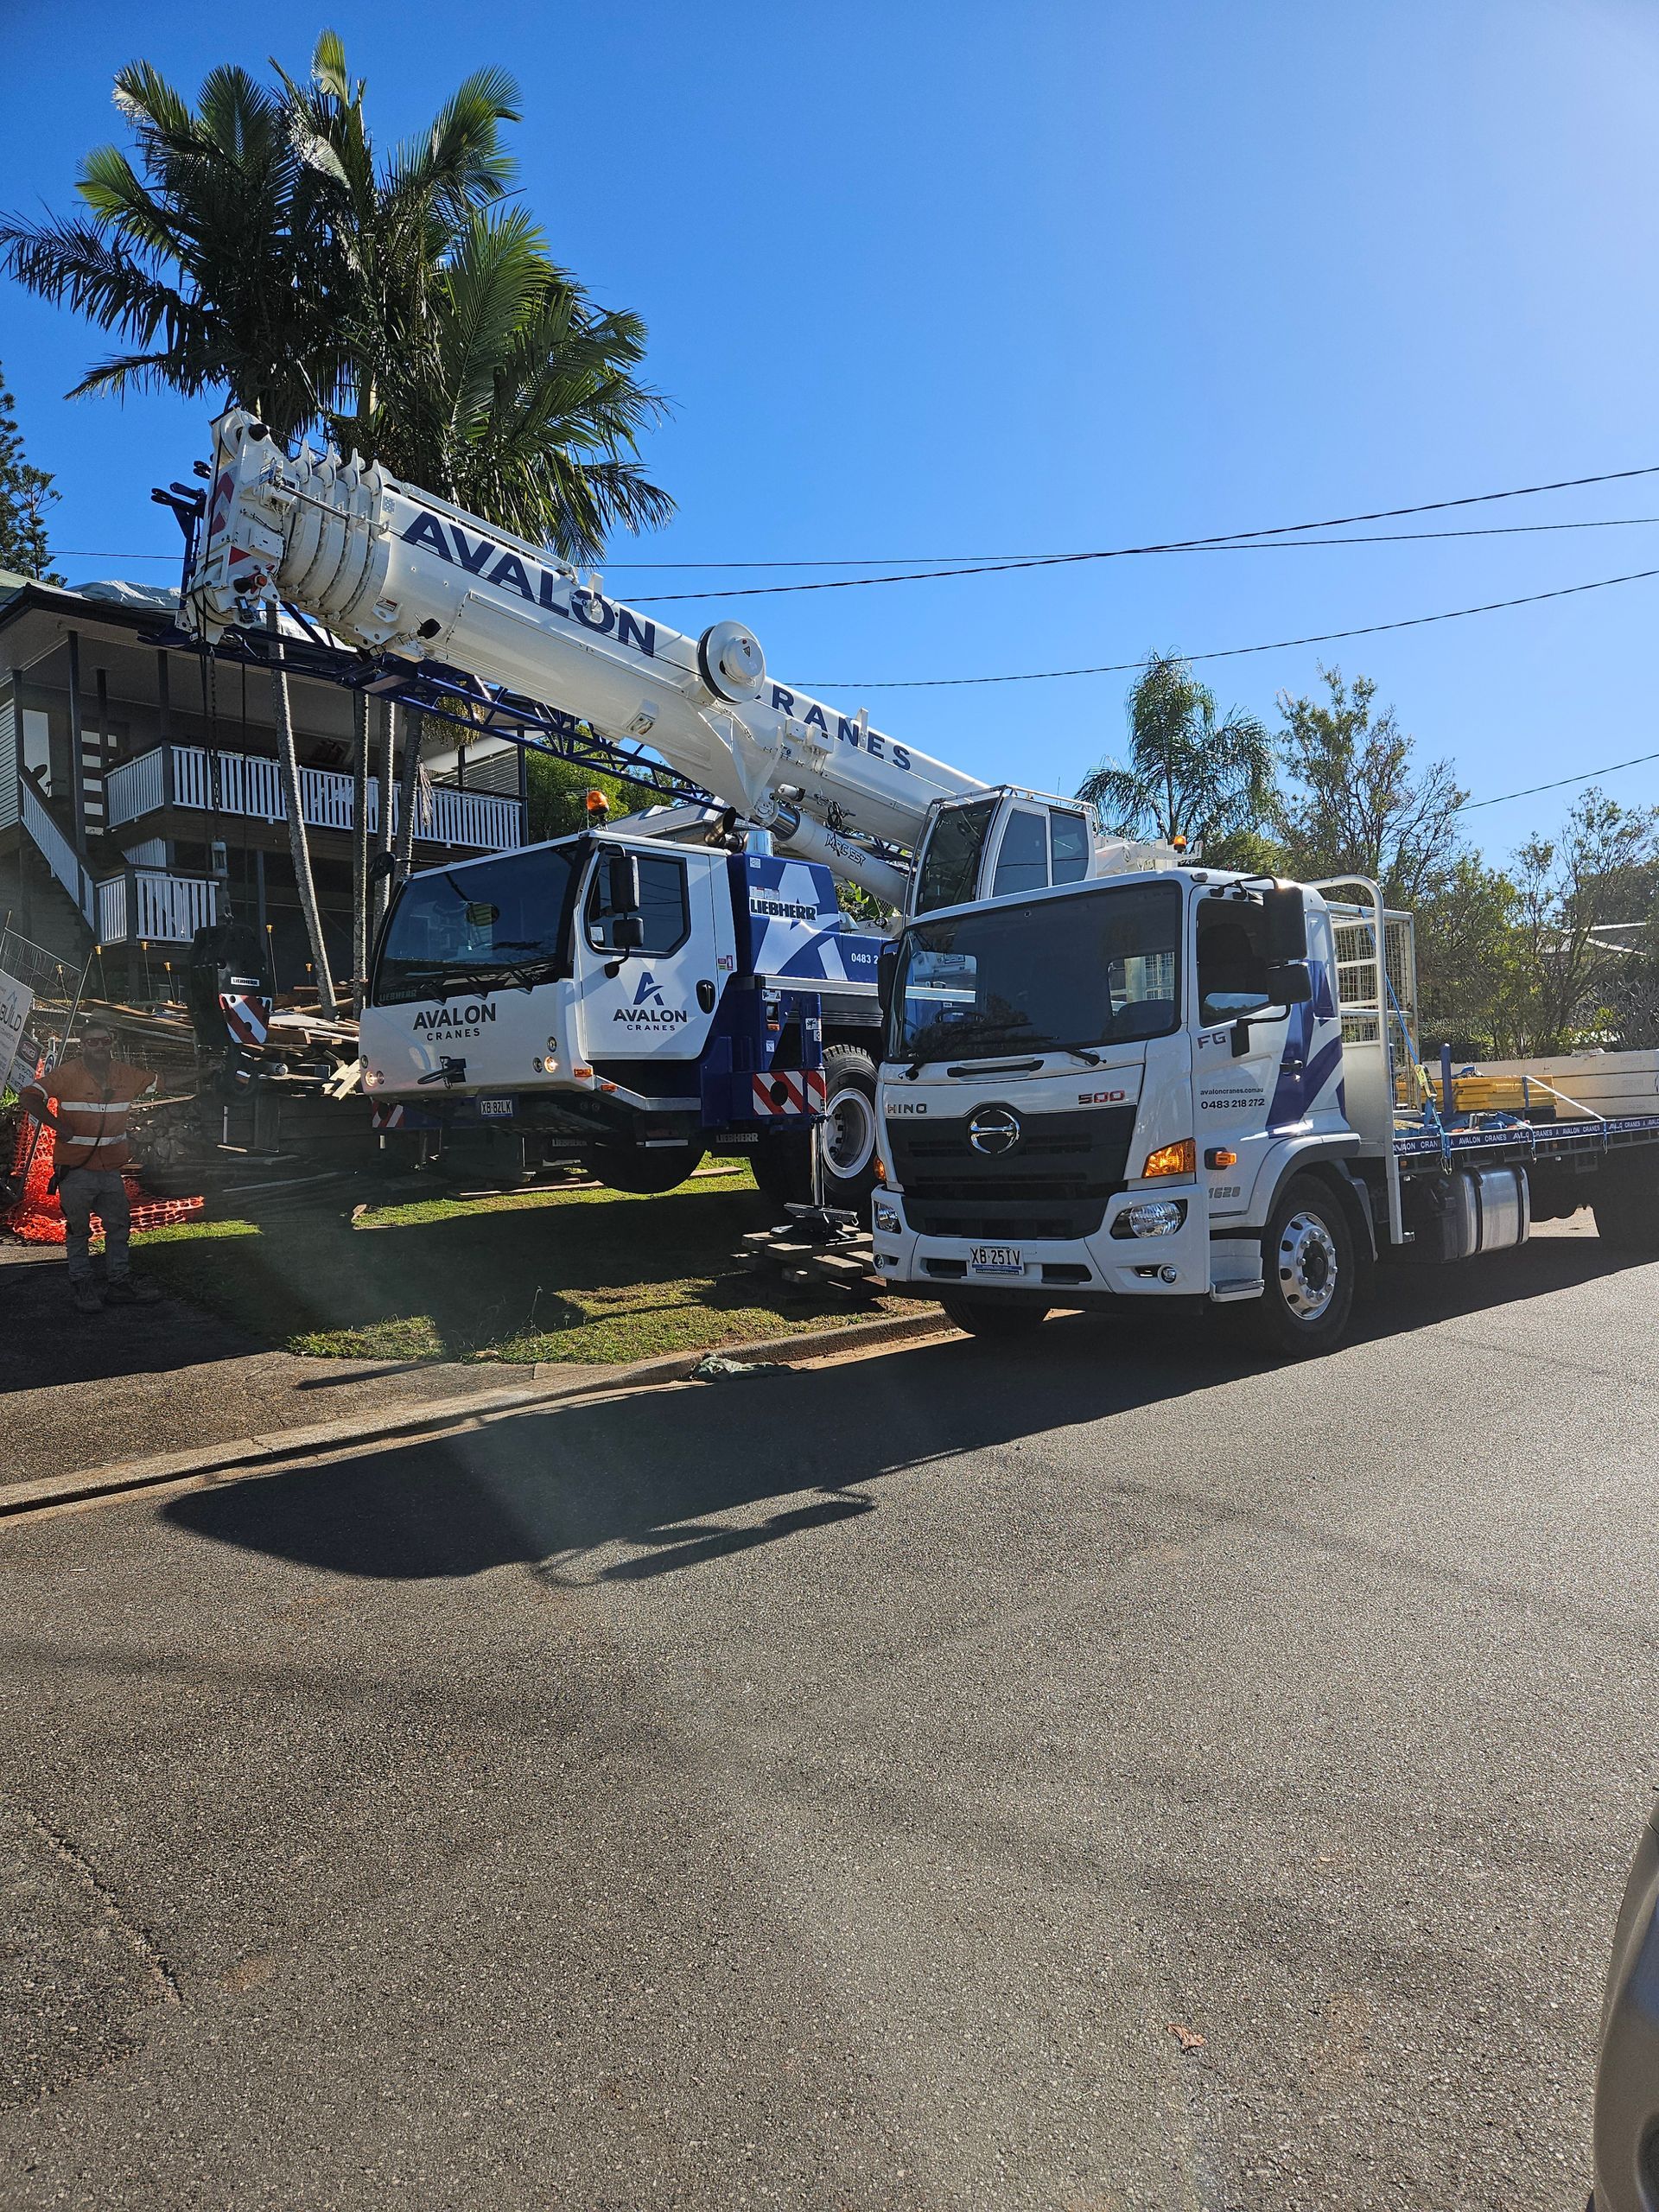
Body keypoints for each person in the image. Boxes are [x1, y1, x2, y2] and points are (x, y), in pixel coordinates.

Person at [19, 1016, 163, 1313]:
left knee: (119, 1226)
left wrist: (211, 1074)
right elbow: (29, 1096)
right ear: (83, 1045)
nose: (99, 1046)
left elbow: (160, 1081)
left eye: (105, 1041)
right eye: (93, 1041)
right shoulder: (68, 1074)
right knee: (78, 1230)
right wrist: (57, 1124)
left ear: (112, 1043)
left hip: (110, 1170)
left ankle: (119, 1284)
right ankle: (82, 1285)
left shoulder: (125, 1074)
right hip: (75, 1170)